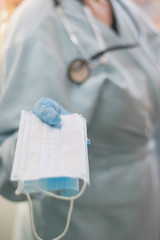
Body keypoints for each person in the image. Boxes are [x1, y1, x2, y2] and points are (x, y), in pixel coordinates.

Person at [0, 0, 160, 239]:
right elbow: (4, 164)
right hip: (78, 220)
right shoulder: (36, 20)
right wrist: (38, 146)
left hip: (143, 206)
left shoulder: (129, 13)